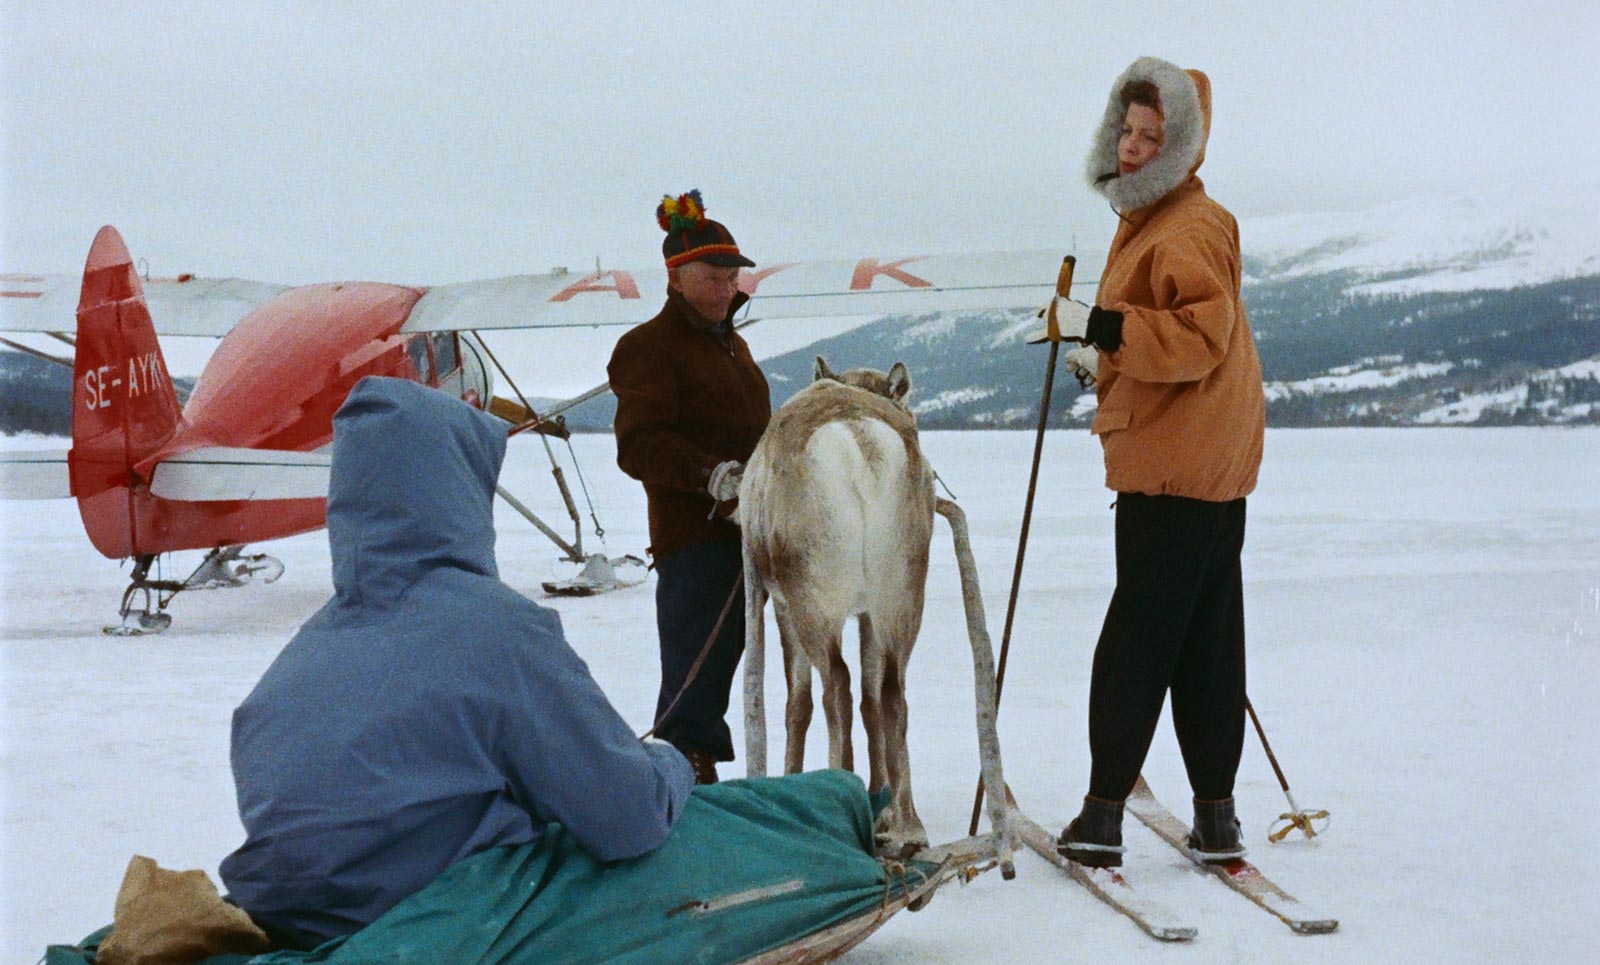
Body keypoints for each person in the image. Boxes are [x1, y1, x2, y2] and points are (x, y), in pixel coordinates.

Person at [219, 377, 694, 948]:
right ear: (459, 490)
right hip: (422, 923)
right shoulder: (498, 631)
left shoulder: (309, 649)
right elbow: (629, 817)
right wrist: (671, 763)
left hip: (294, 917)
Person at [1047, 57, 1267, 867]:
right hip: (1207, 461)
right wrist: (1099, 347)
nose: (1133, 147)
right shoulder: (1159, 222)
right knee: (1206, 639)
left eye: (1152, 136)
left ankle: (1102, 815)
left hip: (1177, 467)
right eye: (1128, 131)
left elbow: (1201, 335)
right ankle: (1216, 819)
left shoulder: (1187, 225)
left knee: (1140, 636)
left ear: (1184, 148)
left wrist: (1100, 329)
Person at [607, 191, 771, 786]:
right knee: (696, 666)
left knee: (734, 655)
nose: (726, 288)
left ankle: (698, 764)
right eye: (712, 277)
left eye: (732, 277)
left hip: (753, 527)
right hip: (695, 536)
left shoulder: (731, 342)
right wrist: (712, 476)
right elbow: (640, 445)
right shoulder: (647, 348)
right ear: (676, 278)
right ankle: (685, 771)